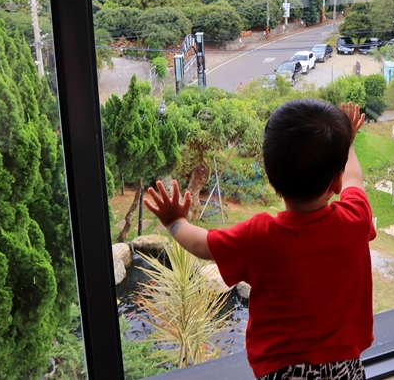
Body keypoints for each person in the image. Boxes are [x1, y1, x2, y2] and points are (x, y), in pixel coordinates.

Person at [145, 100, 374, 380]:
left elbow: (202, 245)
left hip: (284, 372)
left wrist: (175, 222)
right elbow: (354, 179)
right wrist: (347, 144)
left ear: (270, 173)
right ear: (335, 184)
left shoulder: (261, 237)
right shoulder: (356, 218)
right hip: (344, 366)